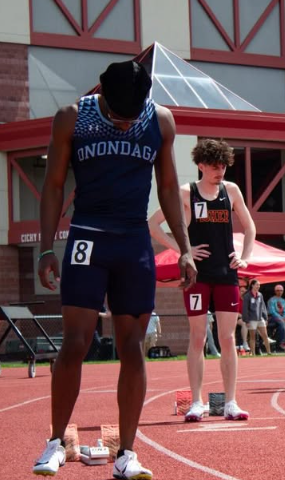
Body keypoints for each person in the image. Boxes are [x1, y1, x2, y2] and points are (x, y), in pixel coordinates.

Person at [34, 60, 197, 479]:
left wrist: (183, 248)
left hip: (132, 243)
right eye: (118, 116)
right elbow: (53, 184)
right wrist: (46, 248)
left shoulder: (159, 120)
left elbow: (166, 186)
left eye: (132, 116)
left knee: (132, 347)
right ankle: (55, 443)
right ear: (101, 94)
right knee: (76, 342)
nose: (126, 125)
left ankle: (126, 453)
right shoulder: (72, 117)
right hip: (88, 237)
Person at [148, 138, 255, 423]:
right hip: (197, 276)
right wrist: (183, 250)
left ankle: (231, 402)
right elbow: (153, 224)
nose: (220, 171)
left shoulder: (231, 191)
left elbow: (249, 225)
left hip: (226, 274)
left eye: (223, 166)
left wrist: (245, 257)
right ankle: (196, 402)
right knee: (197, 338)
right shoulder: (186, 192)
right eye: (215, 167)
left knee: (228, 338)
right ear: (201, 166)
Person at [243, 279, 272, 355]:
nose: (258, 286)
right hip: (251, 319)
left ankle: (269, 352)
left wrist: (265, 317)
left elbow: (263, 307)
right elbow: (245, 309)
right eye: (257, 285)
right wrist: (246, 320)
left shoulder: (260, 295)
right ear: (252, 285)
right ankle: (253, 353)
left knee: (265, 336)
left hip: (260, 318)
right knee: (252, 337)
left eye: (259, 285)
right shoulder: (247, 296)